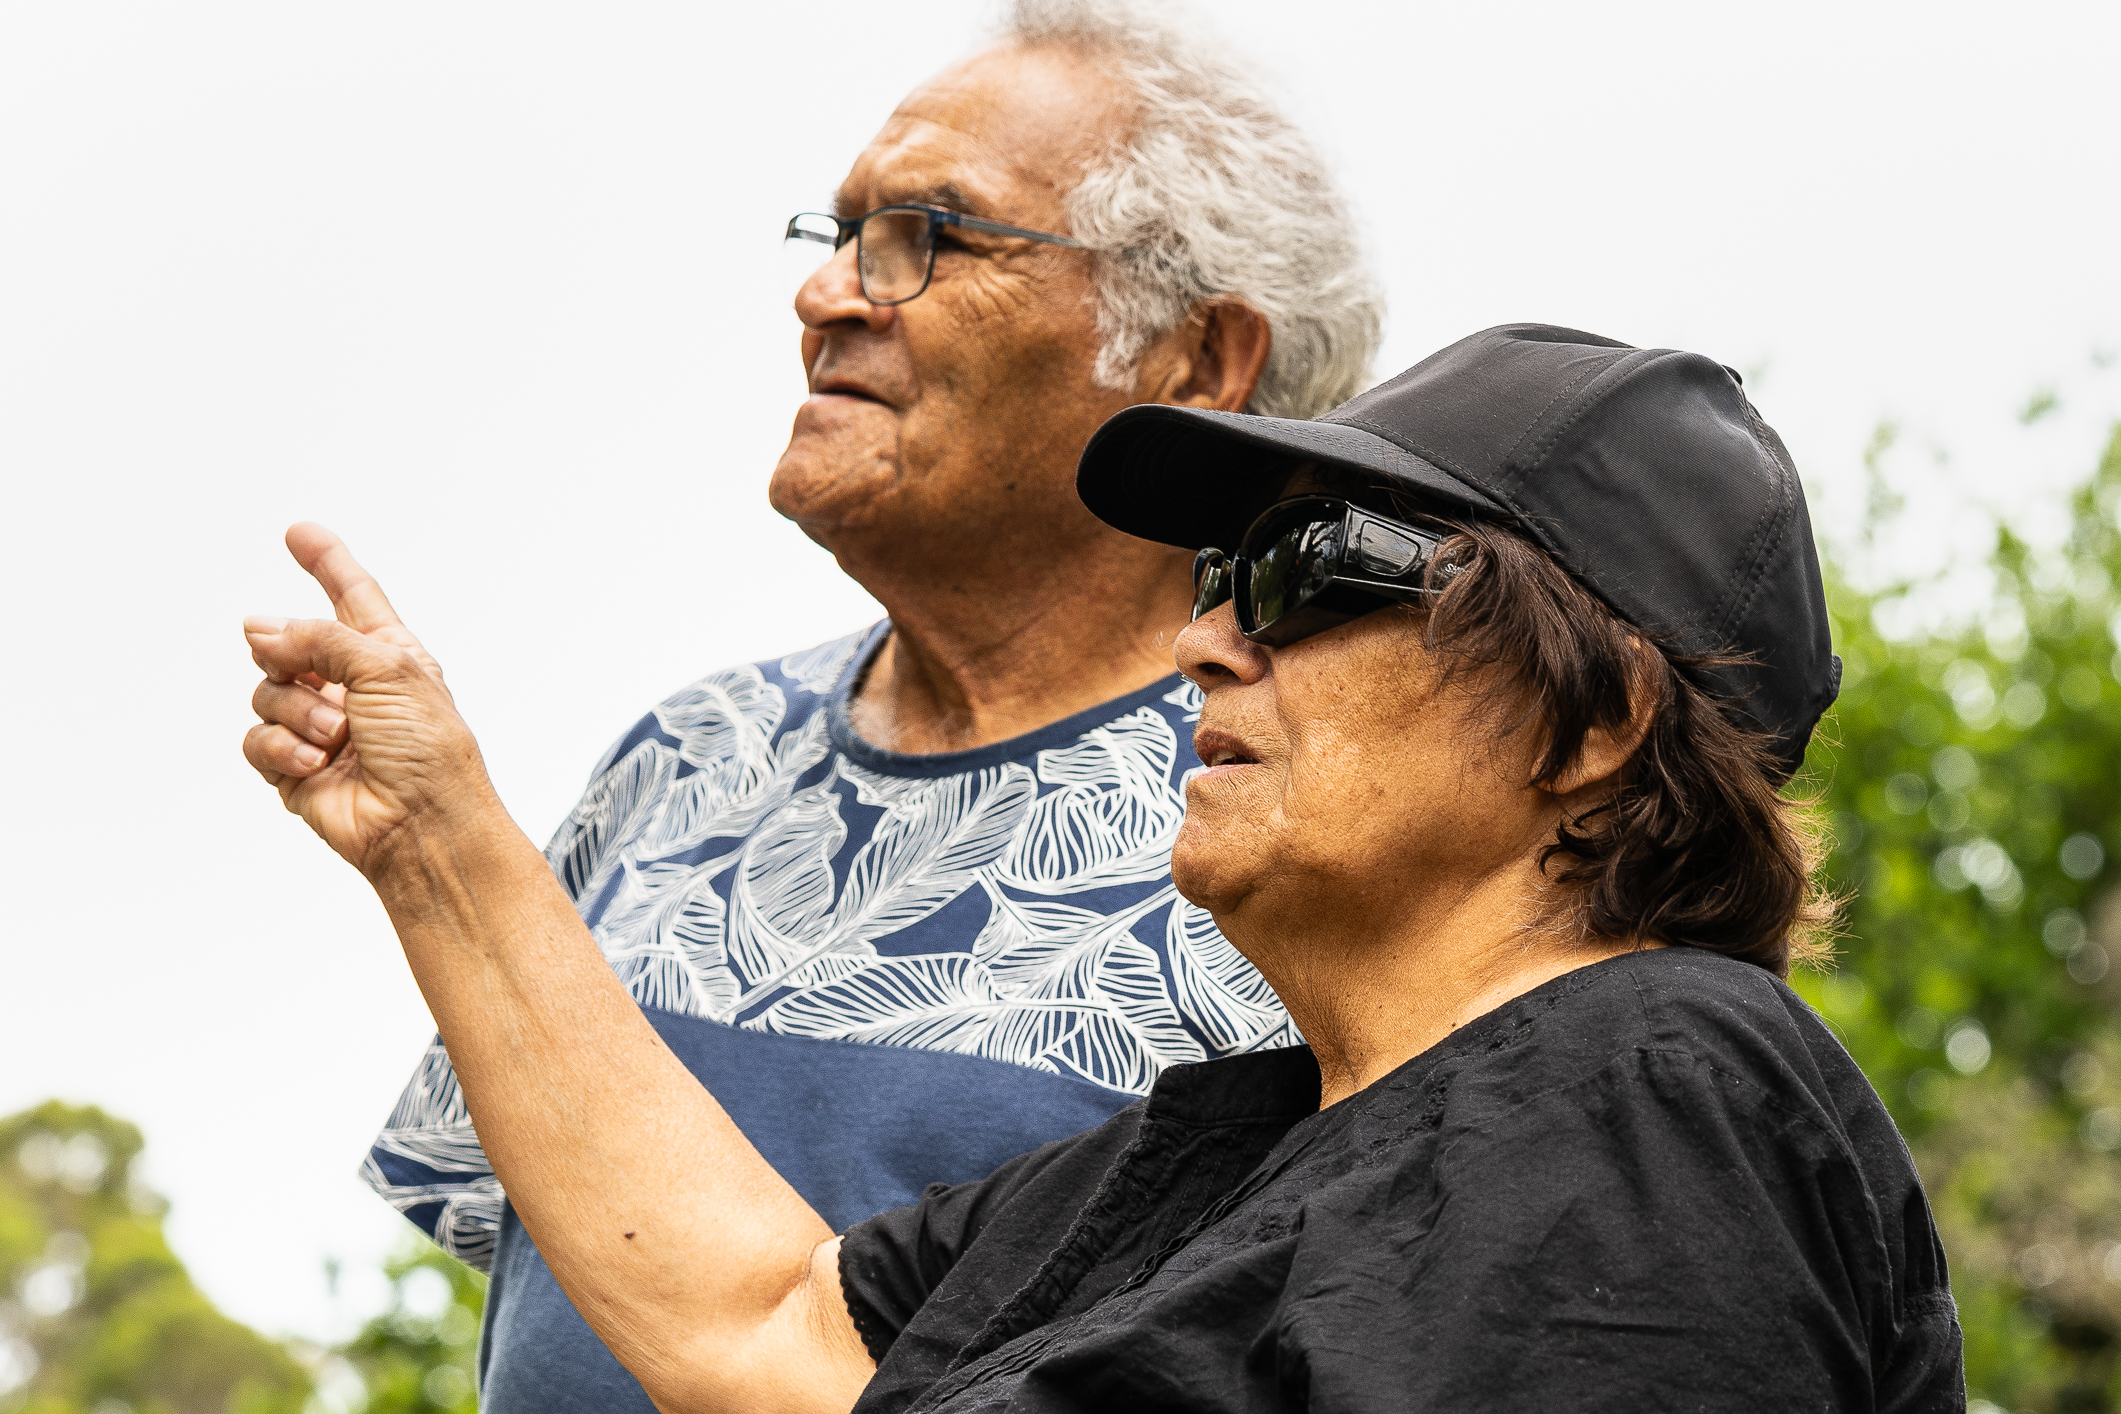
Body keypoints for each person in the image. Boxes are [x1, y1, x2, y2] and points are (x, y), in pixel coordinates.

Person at [243, 322, 1964, 1411]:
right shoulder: (1221, 1145)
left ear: (1593, 720)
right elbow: (765, 1329)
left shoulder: (1652, 1090)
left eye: (1308, 570)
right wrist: (434, 841)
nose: (1206, 638)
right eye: (1218, 574)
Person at [325, 0, 1379, 1402]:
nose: (825, 296)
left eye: (928, 236)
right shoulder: (686, 753)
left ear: (1199, 359)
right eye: (838, 235)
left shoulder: (1297, 820)